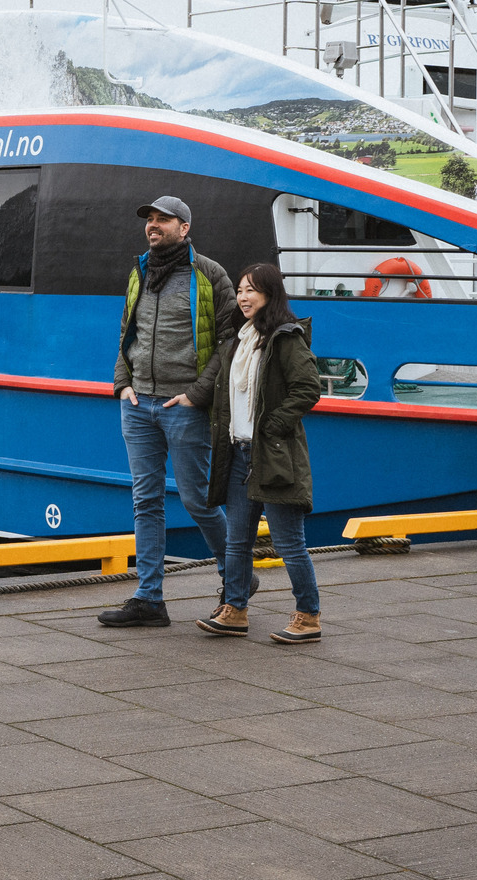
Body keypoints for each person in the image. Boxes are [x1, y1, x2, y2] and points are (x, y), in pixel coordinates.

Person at [97, 196, 233, 628]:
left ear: (184, 227)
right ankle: (149, 598)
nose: (153, 226)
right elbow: (126, 333)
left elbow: (230, 339)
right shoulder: (139, 271)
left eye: (163, 220)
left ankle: (236, 585)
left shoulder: (209, 275)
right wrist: (122, 383)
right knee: (146, 501)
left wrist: (197, 393)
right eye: (150, 220)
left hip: (184, 406)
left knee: (198, 500)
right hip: (139, 405)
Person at [190, 262, 324, 643]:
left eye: (251, 290)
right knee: (237, 541)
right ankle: (234, 610)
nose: (243, 296)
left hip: (274, 455)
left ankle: (308, 616)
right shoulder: (239, 340)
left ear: (270, 294)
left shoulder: (286, 338)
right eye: (240, 289)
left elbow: (307, 388)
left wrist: (271, 427)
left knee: (289, 544)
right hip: (238, 453)